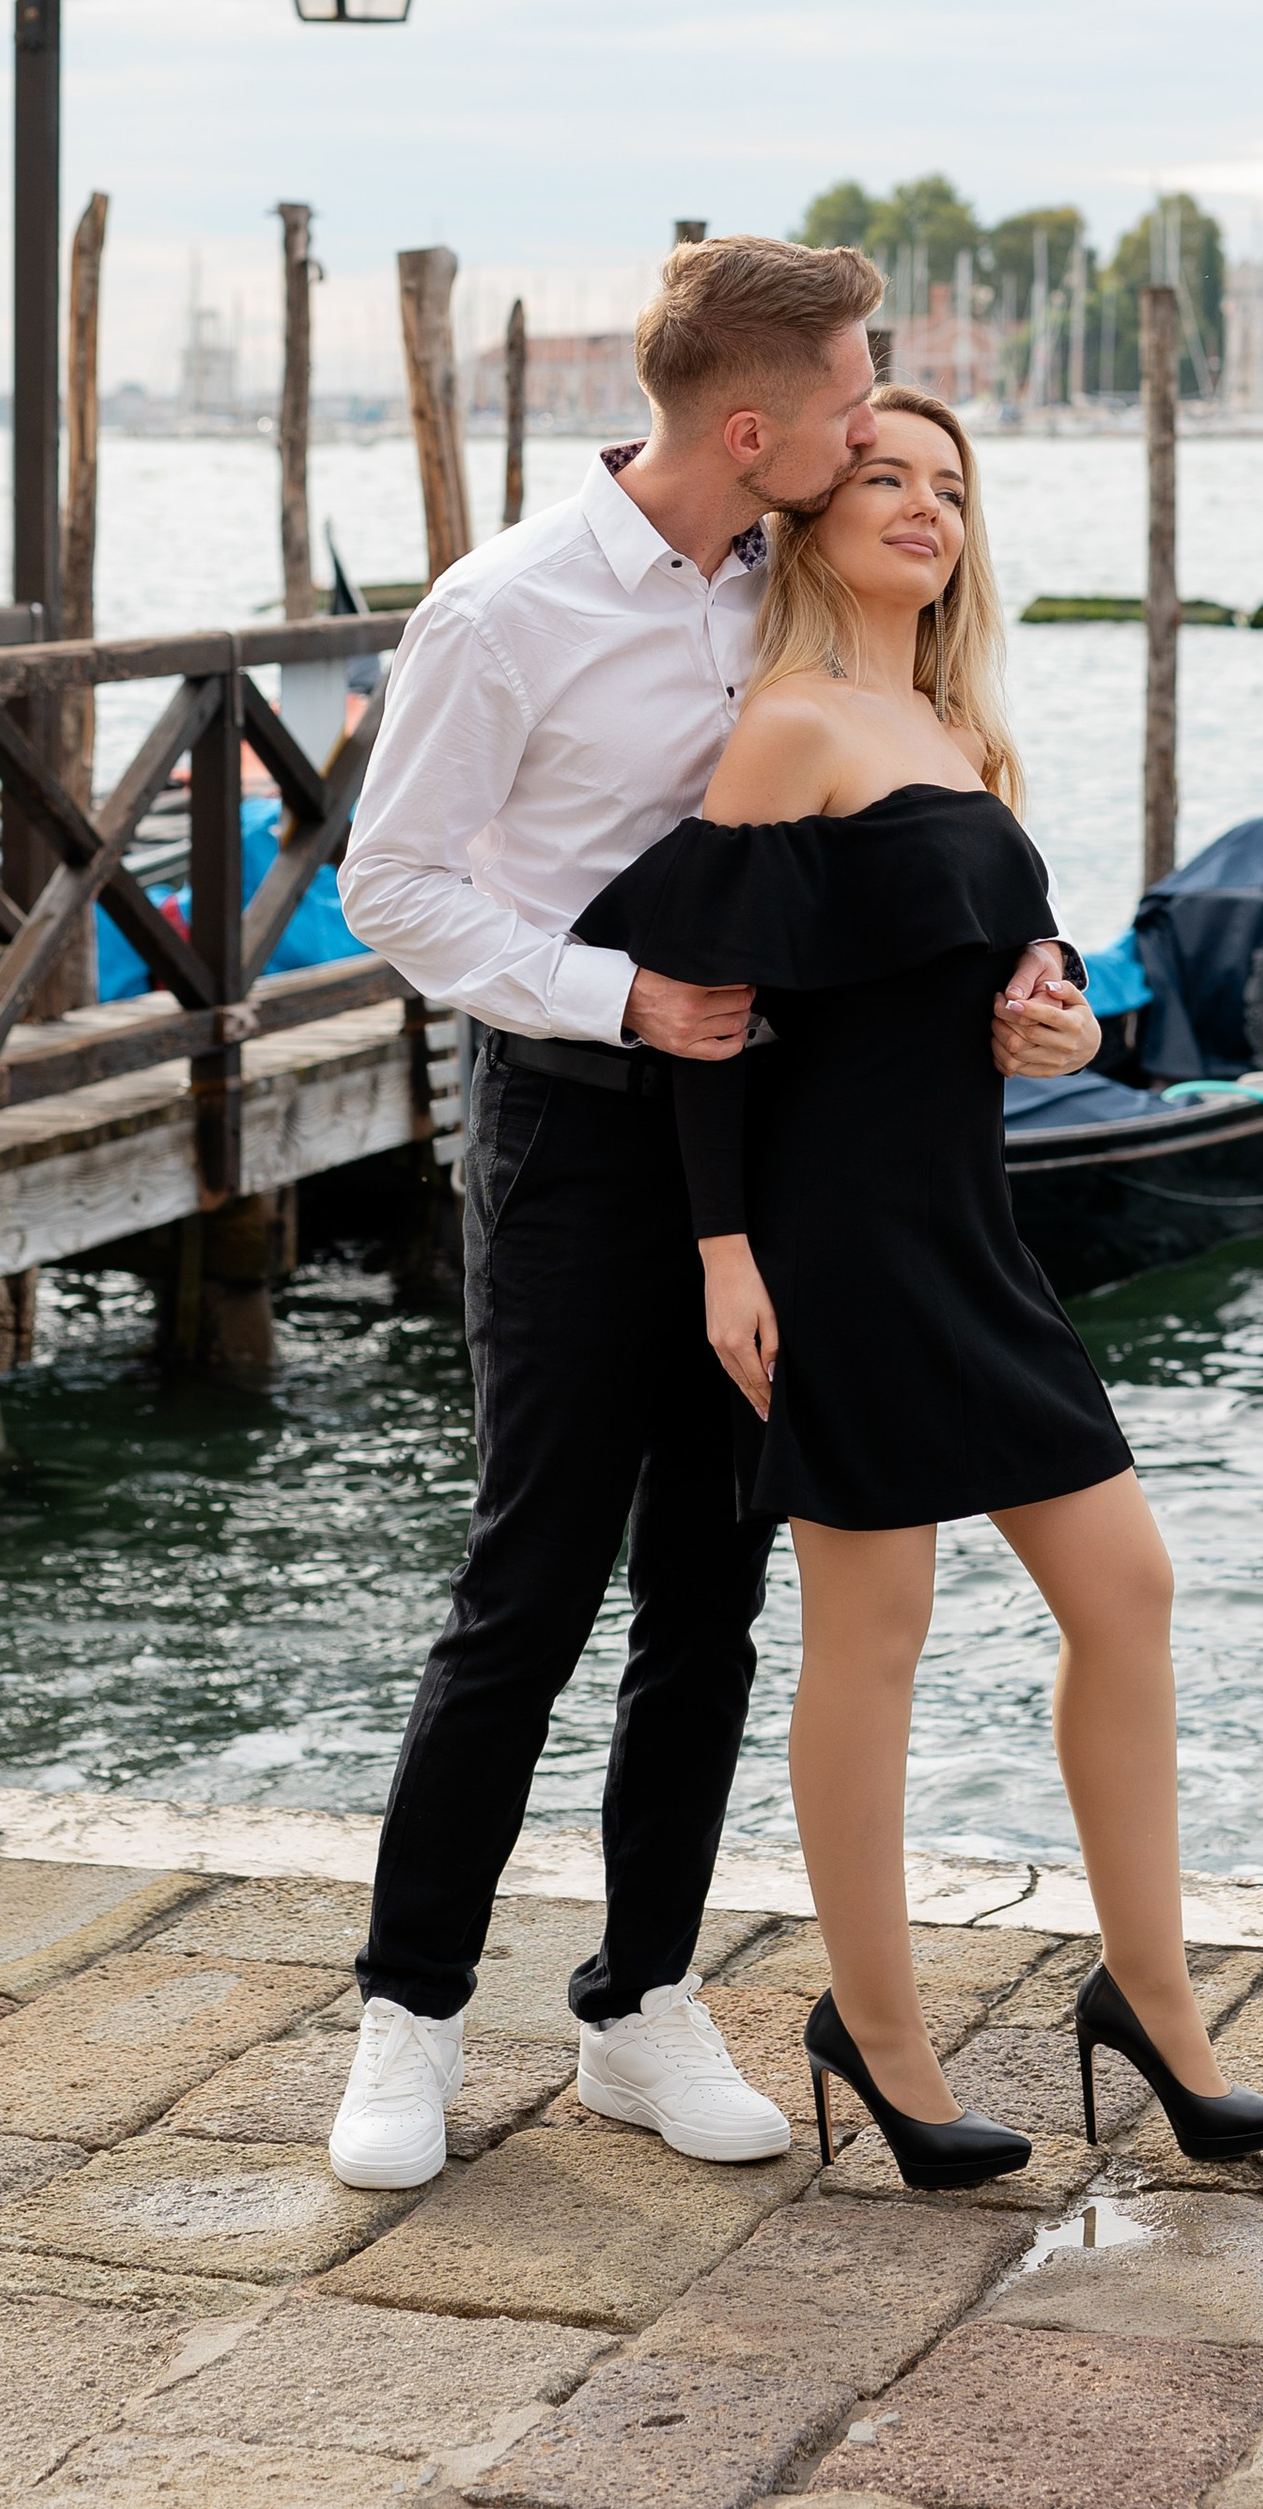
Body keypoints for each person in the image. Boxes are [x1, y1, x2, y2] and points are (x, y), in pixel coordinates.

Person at [326, 245, 1078, 2193]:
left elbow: (919, 815)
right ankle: (405, 2012)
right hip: (579, 1132)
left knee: (710, 1603)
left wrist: (1025, 992)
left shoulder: (789, 574)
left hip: (776, 1162)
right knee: (529, 1587)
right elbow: (390, 886)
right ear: (750, 427)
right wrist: (616, 996)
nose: (868, 437)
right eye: (847, 407)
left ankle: (635, 2001)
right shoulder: (505, 609)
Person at [576, 389, 1263, 2188]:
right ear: (809, 515)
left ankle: (1156, 2008)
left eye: (950, 487)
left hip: (970, 1232)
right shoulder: (789, 727)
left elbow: (991, 999)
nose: (920, 506)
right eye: (881, 477)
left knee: (1126, 1591)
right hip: (828, 1243)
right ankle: (880, 2037)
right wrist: (727, 1256)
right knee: (871, 1641)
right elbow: (710, 1024)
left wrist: (1061, 1026)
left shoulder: (955, 730)